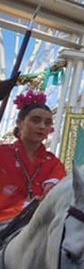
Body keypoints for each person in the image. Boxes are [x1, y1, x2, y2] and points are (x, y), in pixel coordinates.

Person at [0, 90, 65, 222]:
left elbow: (55, 192)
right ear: (20, 123)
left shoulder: (53, 162)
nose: (42, 126)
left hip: (37, 222)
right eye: (35, 121)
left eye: (47, 123)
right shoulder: (2, 153)